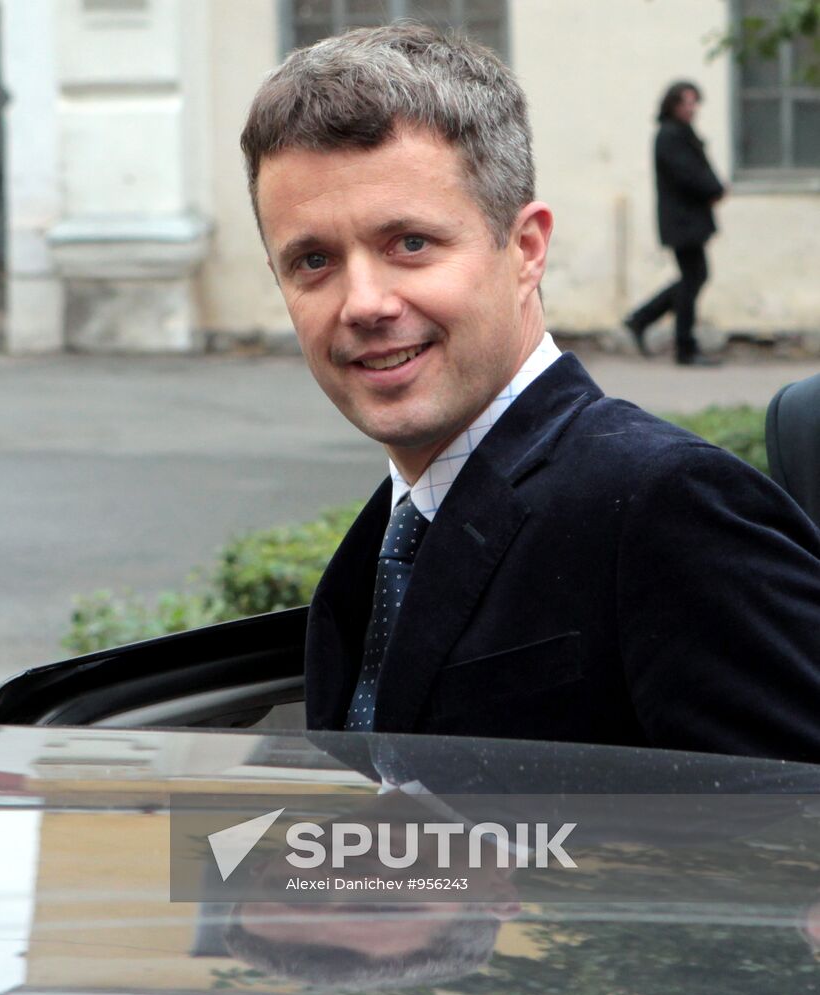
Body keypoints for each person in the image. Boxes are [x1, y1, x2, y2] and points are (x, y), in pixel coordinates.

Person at [239, 26, 820, 761]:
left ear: (527, 250)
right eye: (313, 260)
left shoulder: (665, 505)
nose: (364, 303)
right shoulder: (382, 546)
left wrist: (527, 876)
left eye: (410, 244)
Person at [624, 81, 726, 366]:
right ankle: (684, 347)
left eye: (695, 102)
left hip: (688, 221)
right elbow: (689, 174)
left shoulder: (680, 133)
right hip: (683, 223)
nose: (691, 108)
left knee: (693, 278)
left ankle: (641, 320)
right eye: (686, 102)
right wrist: (714, 188)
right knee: (693, 278)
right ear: (672, 105)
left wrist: (714, 187)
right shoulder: (670, 135)